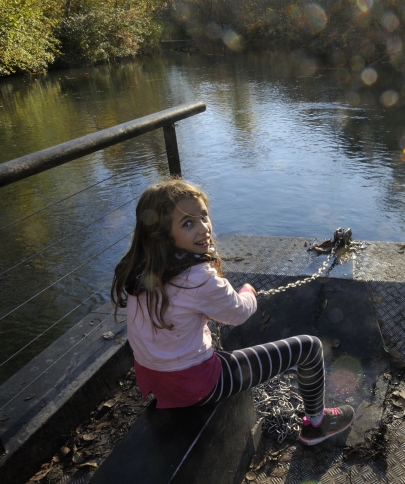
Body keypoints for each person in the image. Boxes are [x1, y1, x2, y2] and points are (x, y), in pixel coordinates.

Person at [111, 179, 353, 445]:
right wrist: (248, 292)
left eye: (203, 216)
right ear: (163, 234)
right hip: (196, 384)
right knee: (309, 347)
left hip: (155, 379)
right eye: (188, 223)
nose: (204, 228)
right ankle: (317, 424)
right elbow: (237, 314)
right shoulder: (198, 277)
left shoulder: (141, 271)